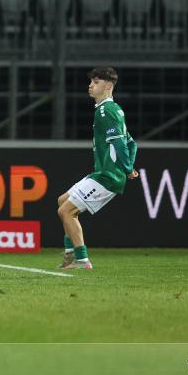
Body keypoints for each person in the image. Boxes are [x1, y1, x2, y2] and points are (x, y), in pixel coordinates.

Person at [57, 67, 138, 270]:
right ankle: (69, 254)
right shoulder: (113, 110)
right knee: (63, 201)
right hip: (103, 172)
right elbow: (132, 143)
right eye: (91, 82)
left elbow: (120, 145)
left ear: (108, 86)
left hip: (108, 175)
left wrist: (127, 169)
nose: (90, 86)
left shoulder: (106, 111)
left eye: (96, 82)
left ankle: (82, 260)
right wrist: (130, 166)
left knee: (66, 211)